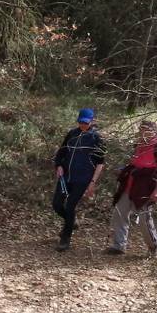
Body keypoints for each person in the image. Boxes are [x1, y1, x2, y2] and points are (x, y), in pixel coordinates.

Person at [107, 120, 157, 255]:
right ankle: (119, 245)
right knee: (119, 213)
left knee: (144, 219)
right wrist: (122, 170)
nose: (144, 133)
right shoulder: (139, 145)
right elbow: (134, 164)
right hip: (129, 186)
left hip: (145, 189)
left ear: (154, 132)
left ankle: (153, 245)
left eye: (147, 130)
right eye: (141, 129)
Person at [52, 107, 106, 251]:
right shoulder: (72, 134)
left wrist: (92, 183)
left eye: (86, 122)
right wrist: (58, 165)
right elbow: (61, 152)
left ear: (92, 121)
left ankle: (65, 238)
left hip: (82, 179)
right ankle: (71, 221)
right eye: (81, 122)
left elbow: (100, 163)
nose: (83, 124)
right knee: (57, 204)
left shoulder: (97, 138)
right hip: (66, 177)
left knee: (70, 206)